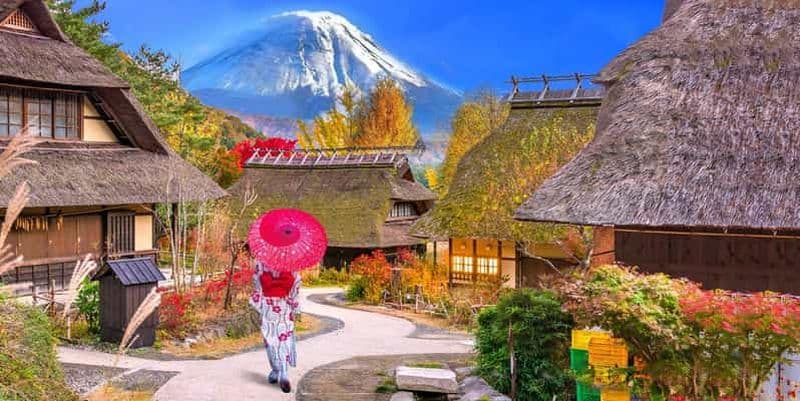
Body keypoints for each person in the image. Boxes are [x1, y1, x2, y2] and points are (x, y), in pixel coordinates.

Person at [249, 259, 302, 393]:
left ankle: (276, 369)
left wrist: (259, 300)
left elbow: (256, 282)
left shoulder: (261, 260)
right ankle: (283, 371)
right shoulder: (291, 261)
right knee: (284, 338)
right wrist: (295, 306)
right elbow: (296, 284)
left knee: (270, 339)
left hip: (268, 305)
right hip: (284, 305)